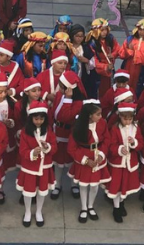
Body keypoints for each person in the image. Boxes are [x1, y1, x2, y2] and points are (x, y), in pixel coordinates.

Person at [67, 100, 111, 223]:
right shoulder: (78, 127)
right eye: (98, 114)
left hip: (98, 157)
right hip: (85, 159)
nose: (101, 116)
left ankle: (91, 206)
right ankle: (84, 208)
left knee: (94, 185)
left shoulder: (102, 123)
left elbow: (107, 139)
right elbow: (71, 148)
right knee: (83, 185)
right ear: (90, 115)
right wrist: (85, 160)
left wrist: (101, 154)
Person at [16, 101, 57, 227]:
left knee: (42, 191)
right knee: (28, 192)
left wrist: (47, 147)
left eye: (41, 119)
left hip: (44, 167)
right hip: (30, 168)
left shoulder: (49, 130)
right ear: (31, 118)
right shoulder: (25, 132)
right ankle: (28, 211)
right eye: (36, 119)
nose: (39, 121)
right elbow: (22, 150)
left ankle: (39, 211)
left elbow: (54, 147)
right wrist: (32, 152)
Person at [49, 71, 86, 201]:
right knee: (58, 161)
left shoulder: (78, 102)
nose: (59, 88)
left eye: (61, 85)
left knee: (71, 161)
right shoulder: (60, 95)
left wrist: (68, 99)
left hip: (69, 134)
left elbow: (65, 116)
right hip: (57, 131)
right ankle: (57, 184)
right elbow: (54, 111)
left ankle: (73, 184)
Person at [106, 102, 143, 223]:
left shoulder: (136, 128)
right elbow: (111, 145)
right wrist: (120, 149)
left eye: (130, 119)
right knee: (116, 187)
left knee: (125, 186)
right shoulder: (115, 129)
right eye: (125, 119)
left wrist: (134, 143)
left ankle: (121, 203)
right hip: (118, 163)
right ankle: (116, 208)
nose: (127, 122)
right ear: (120, 117)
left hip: (129, 163)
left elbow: (141, 143)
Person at [118, 19, 144, 98]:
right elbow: (121, 54)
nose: (141, 32)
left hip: (141, 70)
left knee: (138, 88)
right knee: (125, 85)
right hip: (128, 67)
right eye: (140, 29)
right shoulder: (130, 40)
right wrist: (129, 52)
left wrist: (138, 54)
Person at [84, 18, 120, 98]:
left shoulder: (110, 38)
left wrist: (113, 55)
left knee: (110, 89)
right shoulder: (92, 43)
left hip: (110, 68)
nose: (105, 32)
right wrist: (105, 67)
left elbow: (117, 48)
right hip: (98, 72)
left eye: (106, 29)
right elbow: (94, 61)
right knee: (98, 91)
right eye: (102, 30)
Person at [69, 24, 97, 99]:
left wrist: (86, 61)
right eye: (77, 36)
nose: (79, 38)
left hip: (83, 77)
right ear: (72, 35)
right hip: (71, 75)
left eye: (81, 36)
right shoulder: (68, 47)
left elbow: (93, 64)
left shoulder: (86, 48)